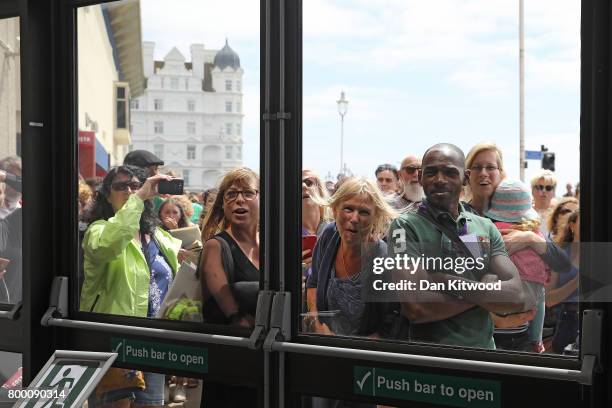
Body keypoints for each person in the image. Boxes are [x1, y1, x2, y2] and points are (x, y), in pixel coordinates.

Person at [388, 143, 525, 349]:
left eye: (450, 172)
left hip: (484, 356)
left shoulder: (484, 227)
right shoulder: (404, 228)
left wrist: (446, 281)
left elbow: (515, 296)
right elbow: (416, 307)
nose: (440, 179)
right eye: (431, 172)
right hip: (431, 363)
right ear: (421, 176)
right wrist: (486, 292)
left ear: (465, 178)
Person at [80, 165, 181, 408]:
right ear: (106, 195)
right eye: (120, 186)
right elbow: (110, 243)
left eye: (135, 186)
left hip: (152, 345)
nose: (129, 191)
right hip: (114, 344)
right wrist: (138, 199)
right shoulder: (98, 230)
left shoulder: (157, 235)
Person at [198, 167, 260, 408]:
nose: (239, 200)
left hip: (262, 362)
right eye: (231, 194)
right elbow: (231, 313)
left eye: (247, 193)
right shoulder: (216, 247)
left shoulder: (271, 246)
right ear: (223, 204)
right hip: (230, 364)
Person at [305, 177, 396, 337]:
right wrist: (317, 322)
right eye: (348, 209)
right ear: (334, 210)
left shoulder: (384, 259)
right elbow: (313, 283)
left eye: (364, 212)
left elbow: (390, 322)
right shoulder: (328, 236)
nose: (354, 219)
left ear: (376, 218)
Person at [484, 180, 550, 353]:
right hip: (524, 315)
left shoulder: (486, 229)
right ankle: (536, 340)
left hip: (492, 323)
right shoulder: (535, 235)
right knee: (540, 291)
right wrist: (536, 339)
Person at [547, 209, 580, 354]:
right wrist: (578, 281)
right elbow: (549, 299)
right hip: (564, 322)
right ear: (572, 225)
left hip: (593, 322)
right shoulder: (559, 253)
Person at [531, 170, 557, 236]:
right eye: (540, 187)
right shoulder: (525, 213)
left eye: (548, 188)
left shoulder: (558, 214)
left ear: (554, 192)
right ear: (532, 190)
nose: (544, 191)